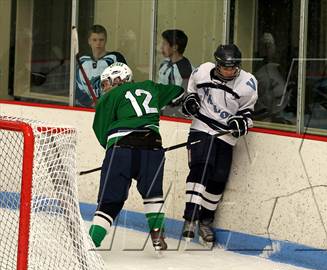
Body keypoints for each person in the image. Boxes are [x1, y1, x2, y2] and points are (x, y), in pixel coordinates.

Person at [89, 62, 184, 251]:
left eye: (106, 83)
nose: (104, 88)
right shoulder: (150, 86)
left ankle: (90, 243)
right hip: (153, 147)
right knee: (153, 195)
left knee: (110, 200)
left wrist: (112, 156)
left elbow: (101, 133)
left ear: (118, 80)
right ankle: (157, 234)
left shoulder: (109, 98)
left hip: (121, 149)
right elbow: (178, 92)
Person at [180, 44, 258, 244]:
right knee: (201, 166)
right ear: (217, 64)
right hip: (202, 126)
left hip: (225, 134)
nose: (230, 71)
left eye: (233, 67)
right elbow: (191, 94)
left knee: (218, 179)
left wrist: (240, 122)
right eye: (225, 67)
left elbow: (248, 113)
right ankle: (190, 217)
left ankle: (205, 221)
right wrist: (190, 102)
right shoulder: (202, 71)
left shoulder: (247, 83)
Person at [76, 24, 127, 107]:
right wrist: (91, 103)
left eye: (101, 40)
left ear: (105, 40)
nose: (98, 43)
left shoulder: (115, 58)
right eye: (94, 40)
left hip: (110, 107)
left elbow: (126, 81)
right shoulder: (82, 60)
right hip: (86, 109)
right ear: (89, 41)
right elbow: (77, 87)